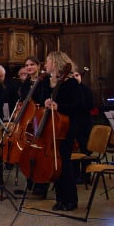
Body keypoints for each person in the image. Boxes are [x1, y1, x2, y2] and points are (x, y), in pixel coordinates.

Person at [41, 51, 83, 211]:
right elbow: (43, 99)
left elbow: (79, 106)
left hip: (66, 127)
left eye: (48, 61)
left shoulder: (71, 83)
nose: (45, 64)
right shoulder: (48, 82)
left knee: (64, 163)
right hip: (52, 125)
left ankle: (70, 200)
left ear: (56, 63)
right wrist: (46, 102)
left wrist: (59, 106)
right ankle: (60, 198)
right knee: (55, 164)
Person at [15, 56, 49, 197]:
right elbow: (23, 99)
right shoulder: (26, 83)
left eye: (32, 64)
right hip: (28, 120)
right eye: (27, 65)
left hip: (39, 118)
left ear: (38, 66)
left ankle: (41, 184)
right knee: (28, 150)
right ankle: (30, 181)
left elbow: (45, 98)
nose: (29, 67)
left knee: (40, 151)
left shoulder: (44, 81)